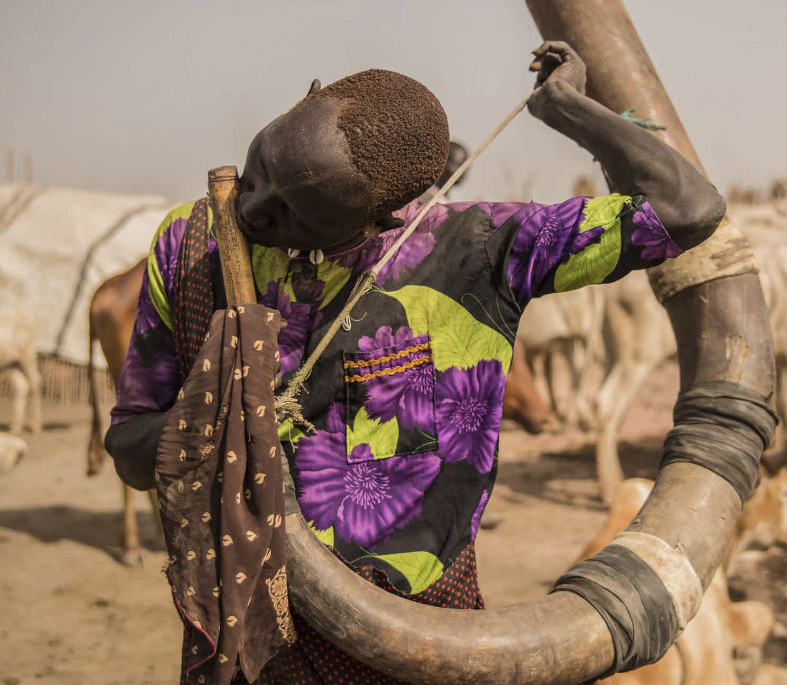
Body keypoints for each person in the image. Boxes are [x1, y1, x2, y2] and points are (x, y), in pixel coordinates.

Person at [106, 41, 732, 684]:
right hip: (237, 639)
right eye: (262, 163)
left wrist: (571, 110)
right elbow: (128, 450)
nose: (254, 206)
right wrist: (210, 417)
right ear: (301, 100)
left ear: (376, 223)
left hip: (420, 642)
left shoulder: (480, 250)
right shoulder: (190, 245)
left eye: (298, 214)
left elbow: (691, 210)